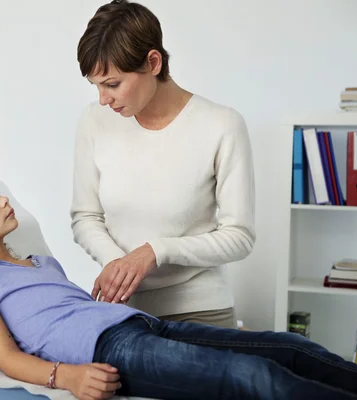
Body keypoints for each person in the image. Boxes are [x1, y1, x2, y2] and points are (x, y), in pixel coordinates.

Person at [0, 169, 357, 400]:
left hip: (142, 325)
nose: (3, 199)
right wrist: (65, 377)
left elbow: (66, 313)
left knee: (286, 347)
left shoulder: (39, 262)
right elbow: (6, 356)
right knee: (255, 379)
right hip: (111, 350)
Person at [70, 0, 255, 329]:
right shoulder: (94, 121)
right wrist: (120, 264)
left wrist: (154, 251)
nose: (103, 99)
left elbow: (239, 236)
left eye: (112, 84)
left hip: (201, 309)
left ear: (153, 62)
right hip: (123, 310)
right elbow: (85, 217)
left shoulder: (221, 125)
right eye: (96, 86)